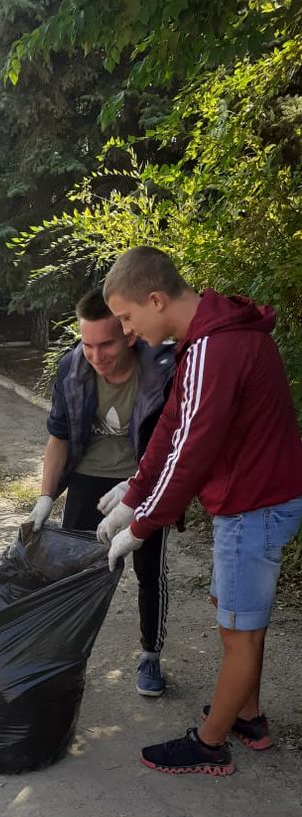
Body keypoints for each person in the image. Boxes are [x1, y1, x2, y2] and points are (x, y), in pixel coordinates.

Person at [97, 246, 302, 775]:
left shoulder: (216, 346)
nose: (126, 331)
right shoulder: (209, 339)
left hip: (252, 508)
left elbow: (191, 452)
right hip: (254, 502)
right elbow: (174, 422)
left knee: (241, 634)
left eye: (126, 317)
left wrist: (142, 525)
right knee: (236, 620)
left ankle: (209, 746)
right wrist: (135, 490)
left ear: (156, 298)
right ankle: (248, 716)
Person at [27, 287, 175, 695]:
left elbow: (178, 441)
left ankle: (150, 656)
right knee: (72, 572)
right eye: (87, 344)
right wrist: (45, 496)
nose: (96, 356)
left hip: (143, 480)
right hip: (88, 479)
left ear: (129, 334)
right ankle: (65, 655)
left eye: (105, 343)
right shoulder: (72, 367)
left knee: (149, 572)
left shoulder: (164, 370)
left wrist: (140, 486)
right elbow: (58, 437)